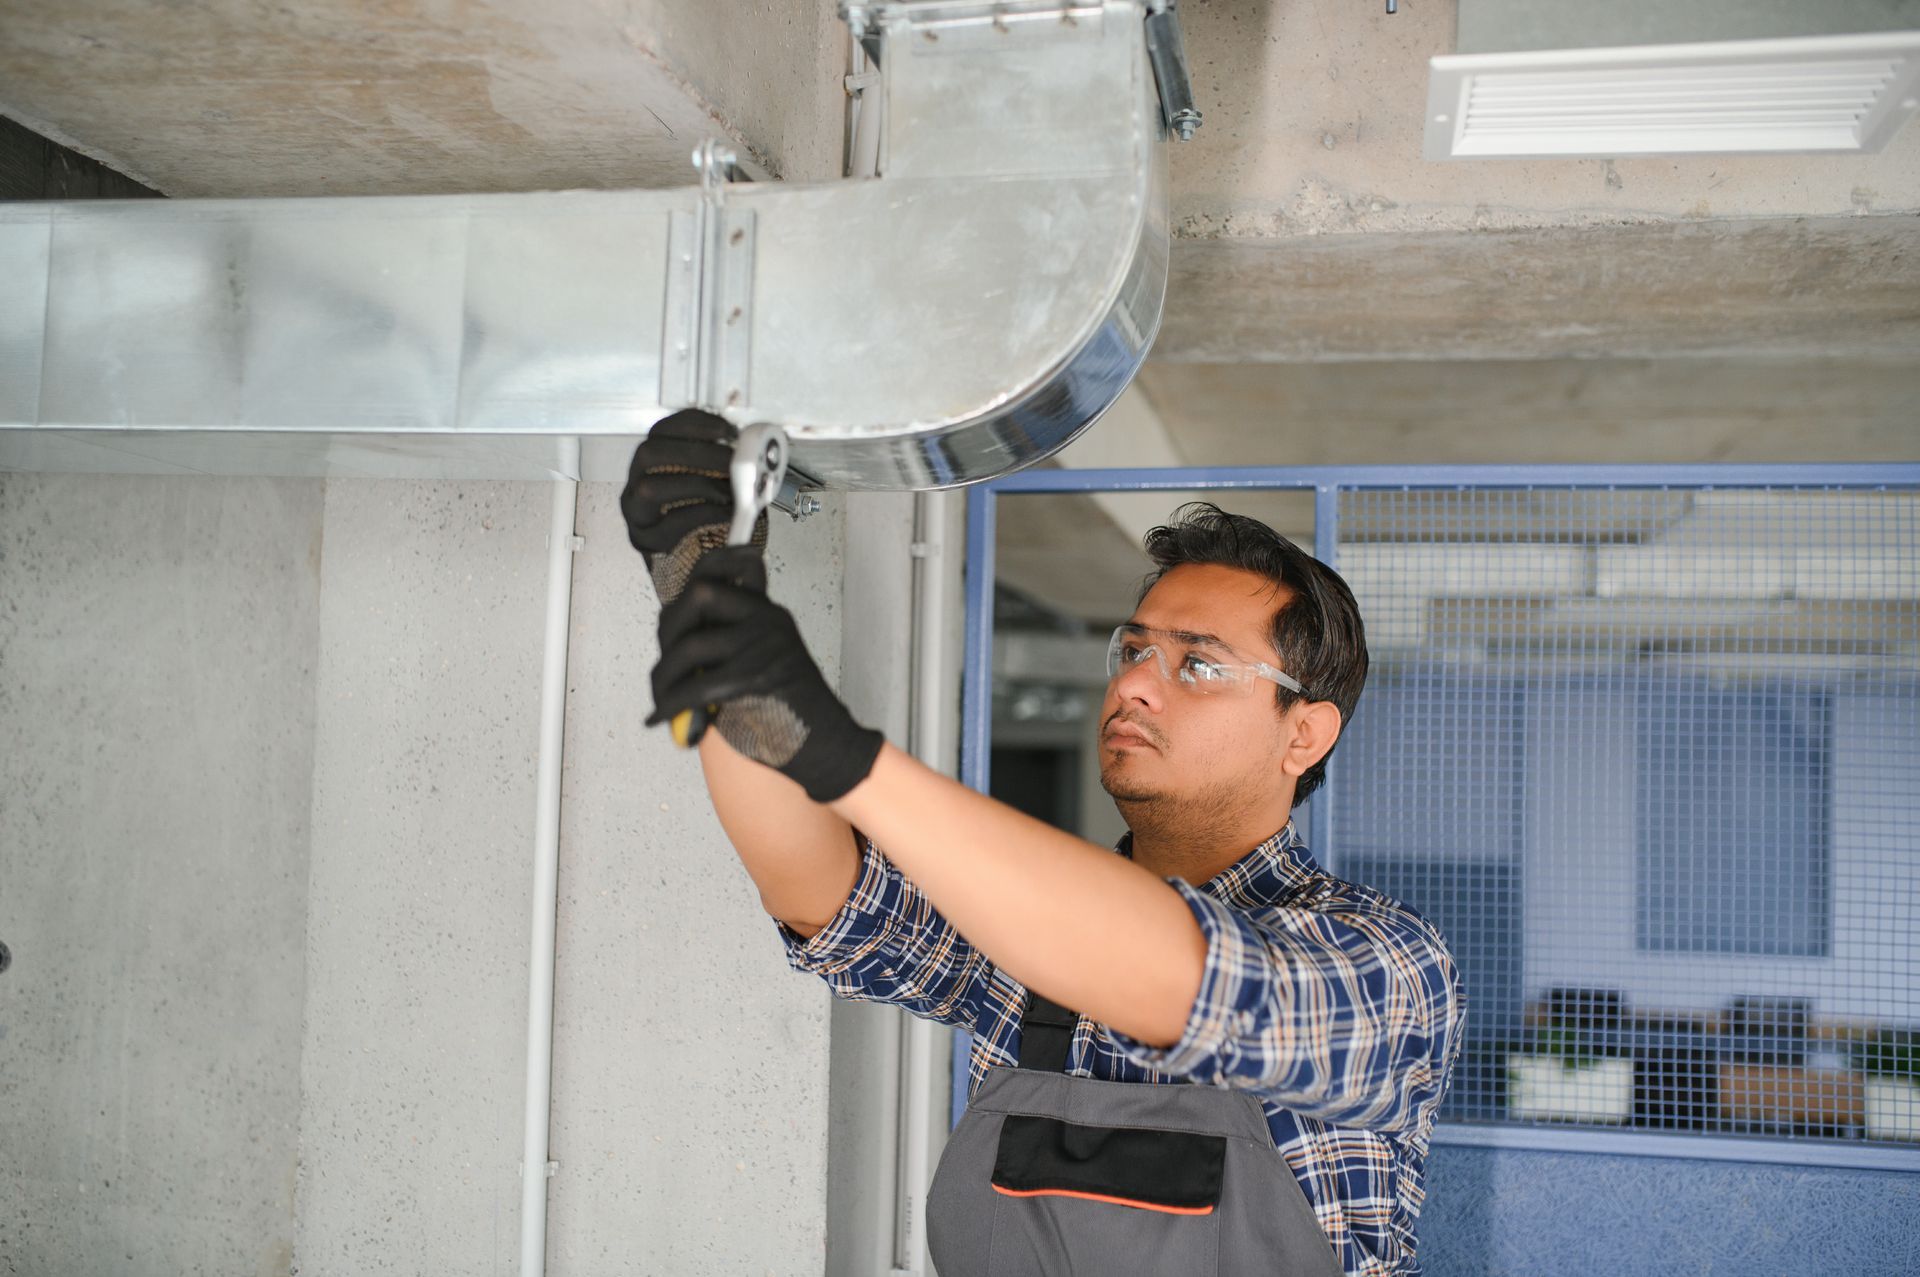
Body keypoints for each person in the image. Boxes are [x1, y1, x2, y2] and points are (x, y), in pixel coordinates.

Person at [623, 410, 1465, 1277]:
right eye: (1133, 648)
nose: (1135, 682)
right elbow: (824, 893)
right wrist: (701, 596)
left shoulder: (1387, 962)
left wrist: (839, 754)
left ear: (1305, 735)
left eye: (1200, 664)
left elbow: (1196, 981)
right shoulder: (1025, 933)